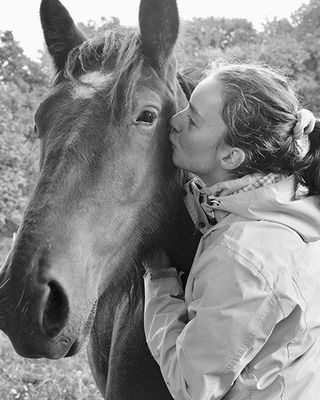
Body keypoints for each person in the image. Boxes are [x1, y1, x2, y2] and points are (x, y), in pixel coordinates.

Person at [142, 63, 320, 400]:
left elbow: (190, 384)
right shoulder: (295, 202)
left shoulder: (244, 254)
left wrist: (159, 278)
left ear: (231, 156)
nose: (175, 120)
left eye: (192, 119)